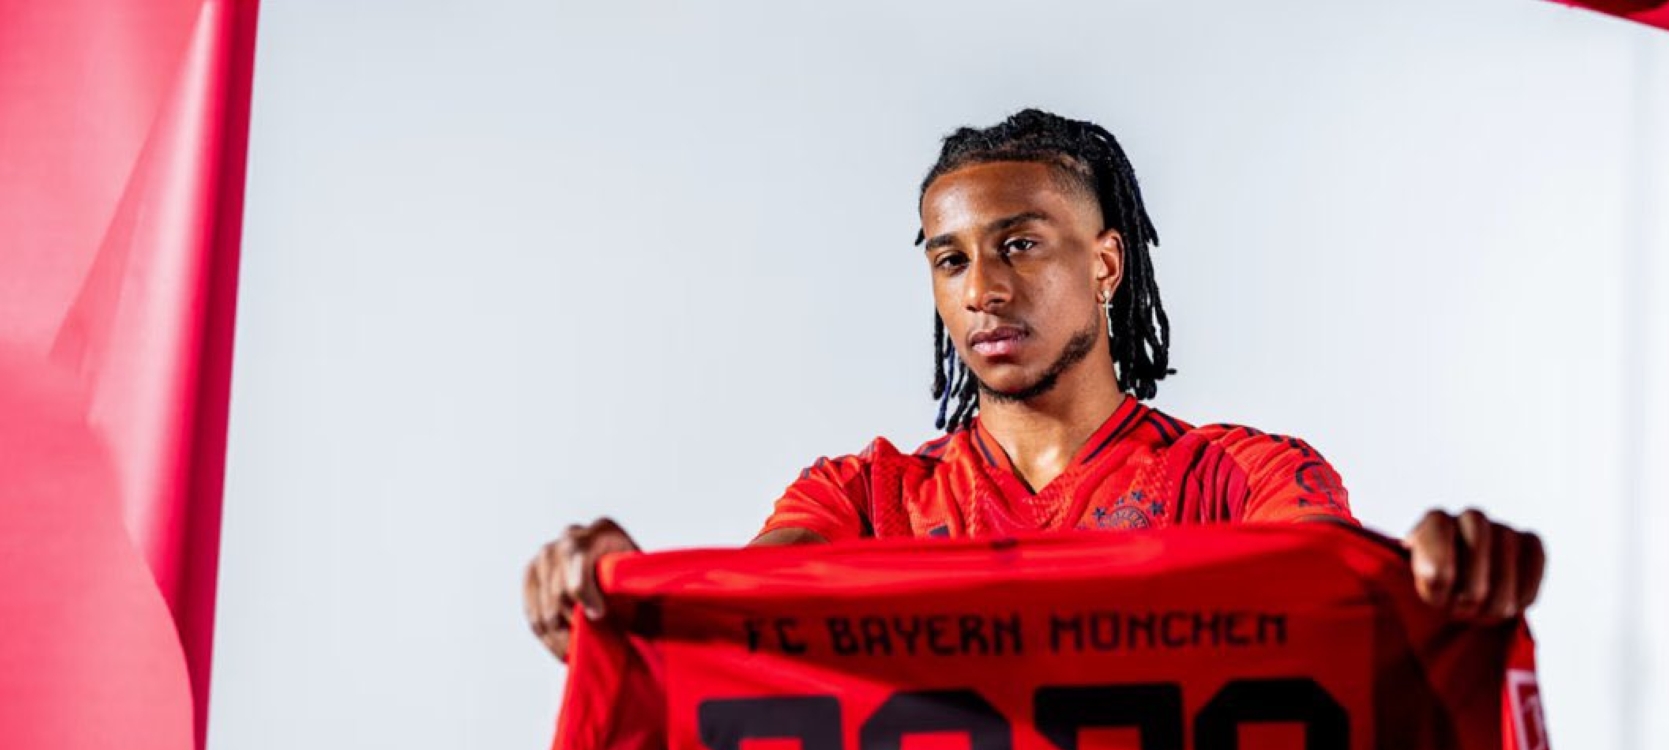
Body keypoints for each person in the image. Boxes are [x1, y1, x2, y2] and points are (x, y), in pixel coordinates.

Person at [522, 108, 1545, 658]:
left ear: (1105, 263)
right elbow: (730, 633)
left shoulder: (1241, 478)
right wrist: (622, 606)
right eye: (951, 258)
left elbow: (1341, 603)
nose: (982, 289)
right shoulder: (862, 499)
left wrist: (1440, 580)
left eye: (1019, 244)